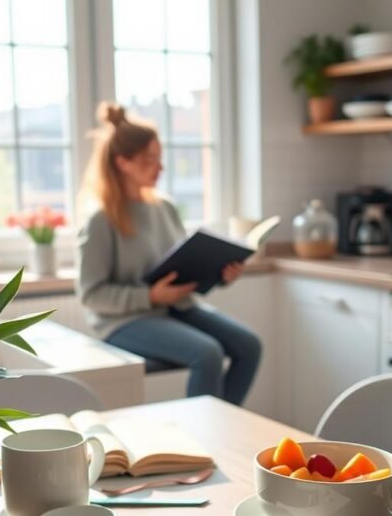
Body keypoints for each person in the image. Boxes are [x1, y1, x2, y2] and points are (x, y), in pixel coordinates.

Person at [77, 102, 262, 405]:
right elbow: (91, 295)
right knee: (207, 352)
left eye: (160, 158)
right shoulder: (101, 220)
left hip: (174, 307)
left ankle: (224, 425)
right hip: (123, 321)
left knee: (249, 345)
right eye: (150, 159)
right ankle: (206, 440)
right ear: (123, 162)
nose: (160, 167)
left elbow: (184, 266)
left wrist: (220, 275)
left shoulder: (164, 208)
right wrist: (150, 297)